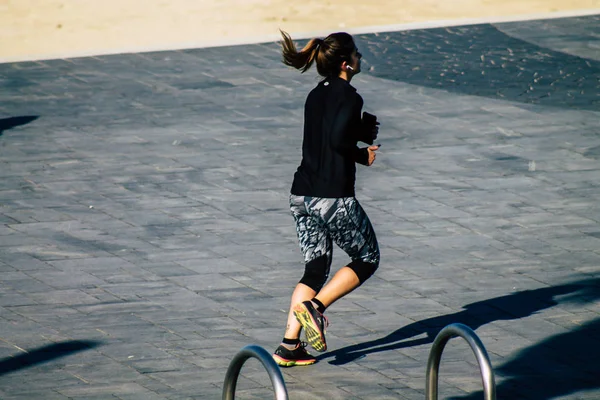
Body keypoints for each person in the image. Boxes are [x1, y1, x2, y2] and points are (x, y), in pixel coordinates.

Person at [272, 30, 381, 367]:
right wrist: (362, 155)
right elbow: (336, 141)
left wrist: (358, 133)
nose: (361, 58)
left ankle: (290, 346)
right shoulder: (350, 97)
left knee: (315, 268)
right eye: (358, 54)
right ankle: (314, 308)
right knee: (367, 257)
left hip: (301, 194)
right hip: (332, 197)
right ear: (346, 63)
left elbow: (325, 136)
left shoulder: (314, 94)